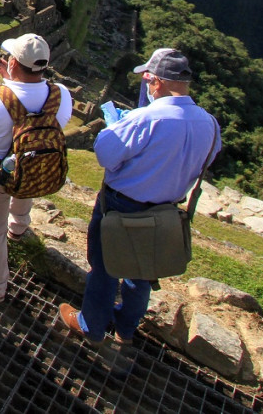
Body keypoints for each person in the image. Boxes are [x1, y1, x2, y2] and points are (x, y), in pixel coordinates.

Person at [61, 48, 221, 345]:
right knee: (142, 271)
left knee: (106, 265)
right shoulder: (210, 125)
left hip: (122, 205)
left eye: (148, 80)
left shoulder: (146, 119)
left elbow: (106, 155)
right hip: (165, 211)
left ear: (156, 82)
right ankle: (125, 329)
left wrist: (118, 127)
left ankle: (92, 326)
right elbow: (207, 160)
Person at [0, 34, 72, 301]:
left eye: (9, 57)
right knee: (27, 170)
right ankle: (19, 226)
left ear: (13, 65)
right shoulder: (60, 95)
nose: (6, 60)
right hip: (35, 166)